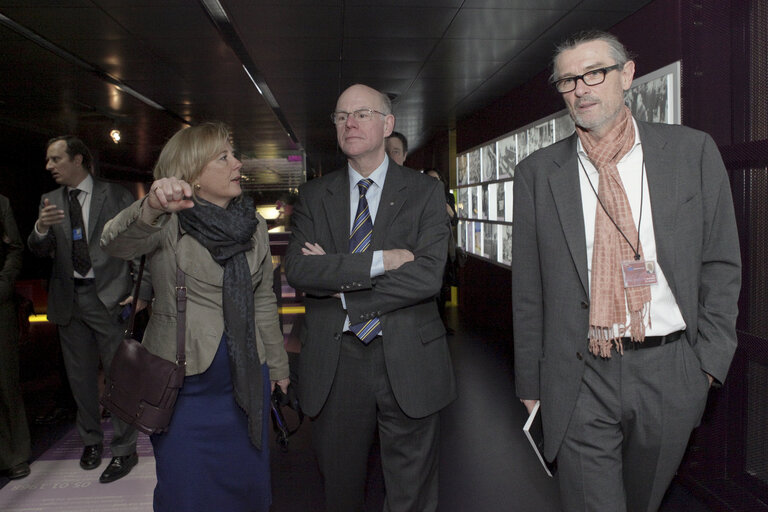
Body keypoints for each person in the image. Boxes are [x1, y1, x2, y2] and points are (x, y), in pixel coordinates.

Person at [512, 30, 741, 512]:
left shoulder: (692, 153)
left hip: (671, 369)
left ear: (628, 75)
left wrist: (706, 367)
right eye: (568, 80)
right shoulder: (538, 173)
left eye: (594, 73)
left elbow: (720, 264)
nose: (581, 89)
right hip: (579, 374)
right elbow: (528, 288)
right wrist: (531, 388)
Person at [101, 122, 289, 512]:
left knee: (246, 490)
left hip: (246, 383)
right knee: (187, 493)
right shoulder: (168, 220)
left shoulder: (251, 222)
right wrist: (151, 205)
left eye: (233, 154)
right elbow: (114, 242)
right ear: (194, 175)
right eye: (224, 157)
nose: (238, 163)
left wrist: (278, 364)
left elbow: (262, 300)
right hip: (183, 390)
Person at [286, 84, 455, 512]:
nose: (350, 123)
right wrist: (381, 260)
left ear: (388, 124)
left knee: (411, 493)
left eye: (362, 113)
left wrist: (342, 287)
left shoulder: (424, 193)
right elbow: (301, 270)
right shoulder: (312, 196)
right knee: (339, 488)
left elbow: (427, 276)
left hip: (410, 357)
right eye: (342, 116)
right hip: (337, 360)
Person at [27, 136, 139, 483]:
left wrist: (139, 291)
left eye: (55, 159)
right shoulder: (50, 201)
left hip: (108, 296)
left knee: (119, 375)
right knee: (80, 379)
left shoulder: (116, 195)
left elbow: (136, 242)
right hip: (68, 300)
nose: (49, 166)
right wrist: (41, 228)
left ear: (78, 159)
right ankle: (91, 441)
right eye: (48, 160)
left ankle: (124, 449)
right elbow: (37, 249)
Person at [0, 194, 31, 480]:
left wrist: (5, 284)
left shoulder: (2, 203)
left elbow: (16, 248)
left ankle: (16, 455)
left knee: (6, 380)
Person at [425, 168, 458, 333]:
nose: (433, 183)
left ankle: (442, 325)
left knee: (444, 288)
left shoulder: (448, 197)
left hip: (444, 248)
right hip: (425, 249)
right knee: (430, 288)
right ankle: (431, 325)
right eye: (430, 179)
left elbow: (455, 220)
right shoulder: (421, 197)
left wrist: (446, 208)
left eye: (436, 179)